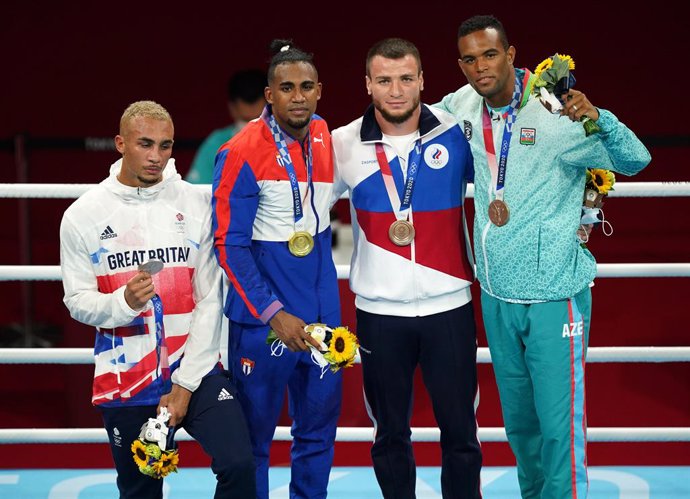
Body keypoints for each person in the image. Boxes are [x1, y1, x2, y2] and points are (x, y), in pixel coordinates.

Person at [436, 15, 652, 499]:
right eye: (469, 59)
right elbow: (414, 120)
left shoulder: (557, 112)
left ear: (511, 55)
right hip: (496, 295)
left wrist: (599, 116)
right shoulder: (462, 105)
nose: (480, 67)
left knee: (560, 431)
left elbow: (636, 158)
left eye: (490, 55)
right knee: (522, 430)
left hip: (555, 294)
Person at [60, 100, 256, 499]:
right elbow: (77, 300)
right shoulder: (83, 215)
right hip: (126, 377)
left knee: (239, 465)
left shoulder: (196, 205)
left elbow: (210, 300)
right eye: (145, 144)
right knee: (140, 491)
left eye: (165, 146)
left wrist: (185, 384)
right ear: (119, 143)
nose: (156, 157)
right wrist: (123, 302)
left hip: (197, 369)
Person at [331, 38, 482, 499]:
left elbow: (506, 180)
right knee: (389, 434)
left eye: (405, 79)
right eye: (384, 80)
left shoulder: (458, 131)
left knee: (461, 432)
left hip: (450, 309)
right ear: (368, 85)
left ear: (422, 81)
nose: (395, 90)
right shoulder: (340, 143)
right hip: (379, 314)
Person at [212, 40, 341, 499]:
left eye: (307, 86)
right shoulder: (241, 150)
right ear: (269, 94)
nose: (298, 96)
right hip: (263, 322)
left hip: (325, 321)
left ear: (320, 90)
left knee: (318, 437)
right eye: (287, 88)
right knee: (254, 445)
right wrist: (273, 312)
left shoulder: (327, 136)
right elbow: (229, 247)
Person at [186, 69, 267, 184]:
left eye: (258, 119)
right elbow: (195, 192)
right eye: (245, 120)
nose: (251, 127)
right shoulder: (216, 143)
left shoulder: (287, 143)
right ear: (232, 109)